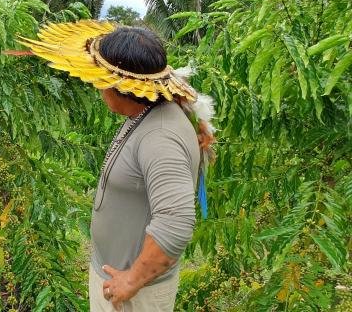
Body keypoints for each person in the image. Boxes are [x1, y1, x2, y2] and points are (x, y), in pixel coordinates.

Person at [19, 20, 215, 311]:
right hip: (115, 275)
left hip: (136, 295)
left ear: (118, 85)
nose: (95, 84)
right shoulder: (148, 110)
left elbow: (175, 224)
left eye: (99, 78)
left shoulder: (161, 137)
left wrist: (132, 280)